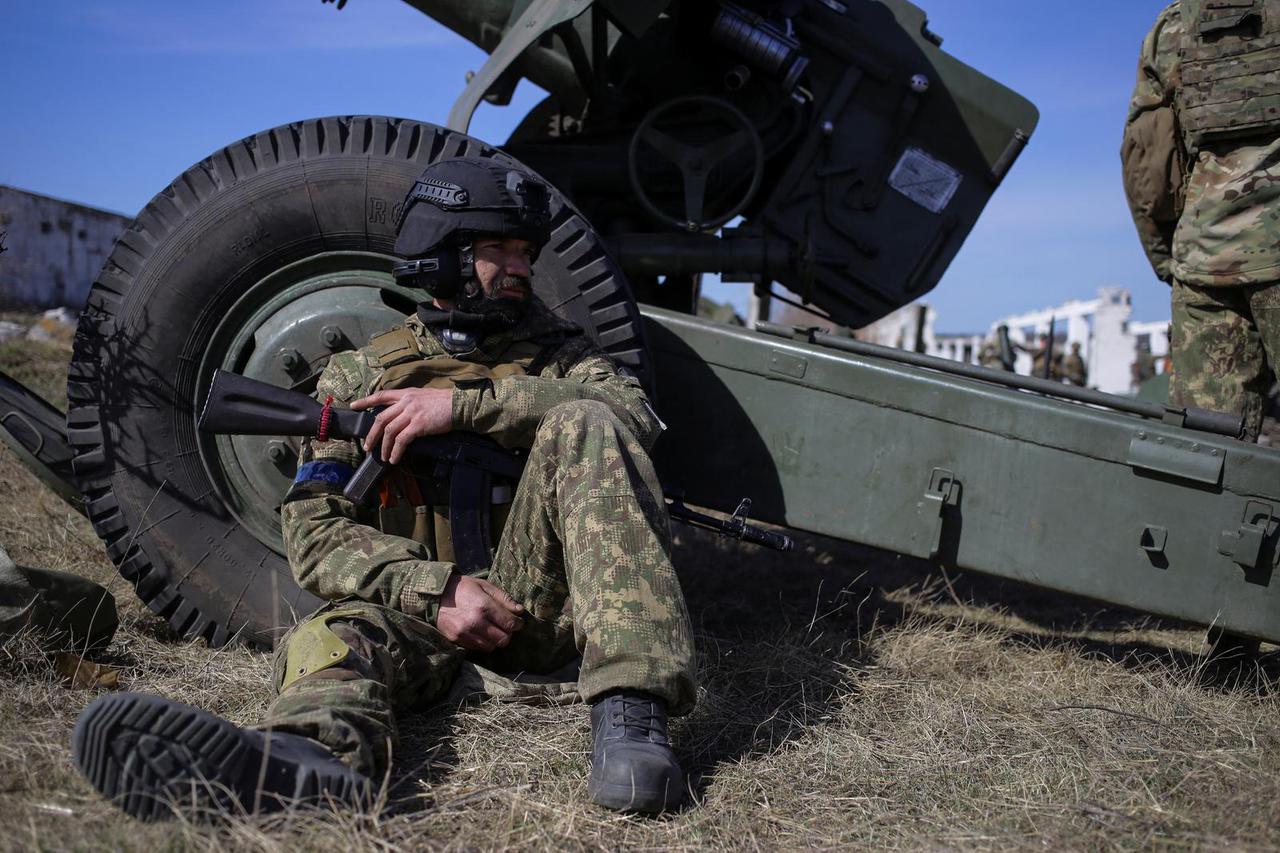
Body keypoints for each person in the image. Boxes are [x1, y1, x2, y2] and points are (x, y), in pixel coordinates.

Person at [72, 157, 697, 820]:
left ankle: (632, 719)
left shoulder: (566, 357)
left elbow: (635, 418)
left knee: (586, 419)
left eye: (525, 252)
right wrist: (439, 590)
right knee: (327, 639)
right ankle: (307, 765)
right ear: (443, 256)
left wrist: (461, 409)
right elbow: (314, 535)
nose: (520, 266)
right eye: (498, 249)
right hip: (420, 613)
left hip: (541, 611)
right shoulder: (363, 373)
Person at [1122, 0, 1280, 442]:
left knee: (1204, 453)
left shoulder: (1176, 23)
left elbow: (1147, 161)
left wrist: (1170, 262)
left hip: (1205, 262)